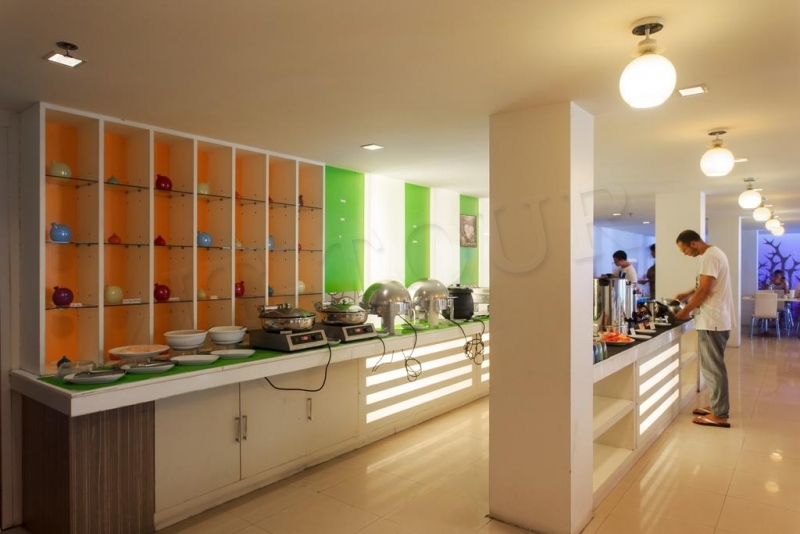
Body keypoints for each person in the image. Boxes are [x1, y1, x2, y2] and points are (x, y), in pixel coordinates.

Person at [674, 230, 734, 428]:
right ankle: (717, 406)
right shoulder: (715, 253)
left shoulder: (709, 256)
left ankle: (720, 414)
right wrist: (687, 294)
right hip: (717, 319)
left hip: (712, 321)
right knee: (713, 367)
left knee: (713, 369)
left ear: (693, 243)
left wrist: (686, 310)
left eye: (684, 250)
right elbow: (705, 285)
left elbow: (705, 290)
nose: (685, 254)